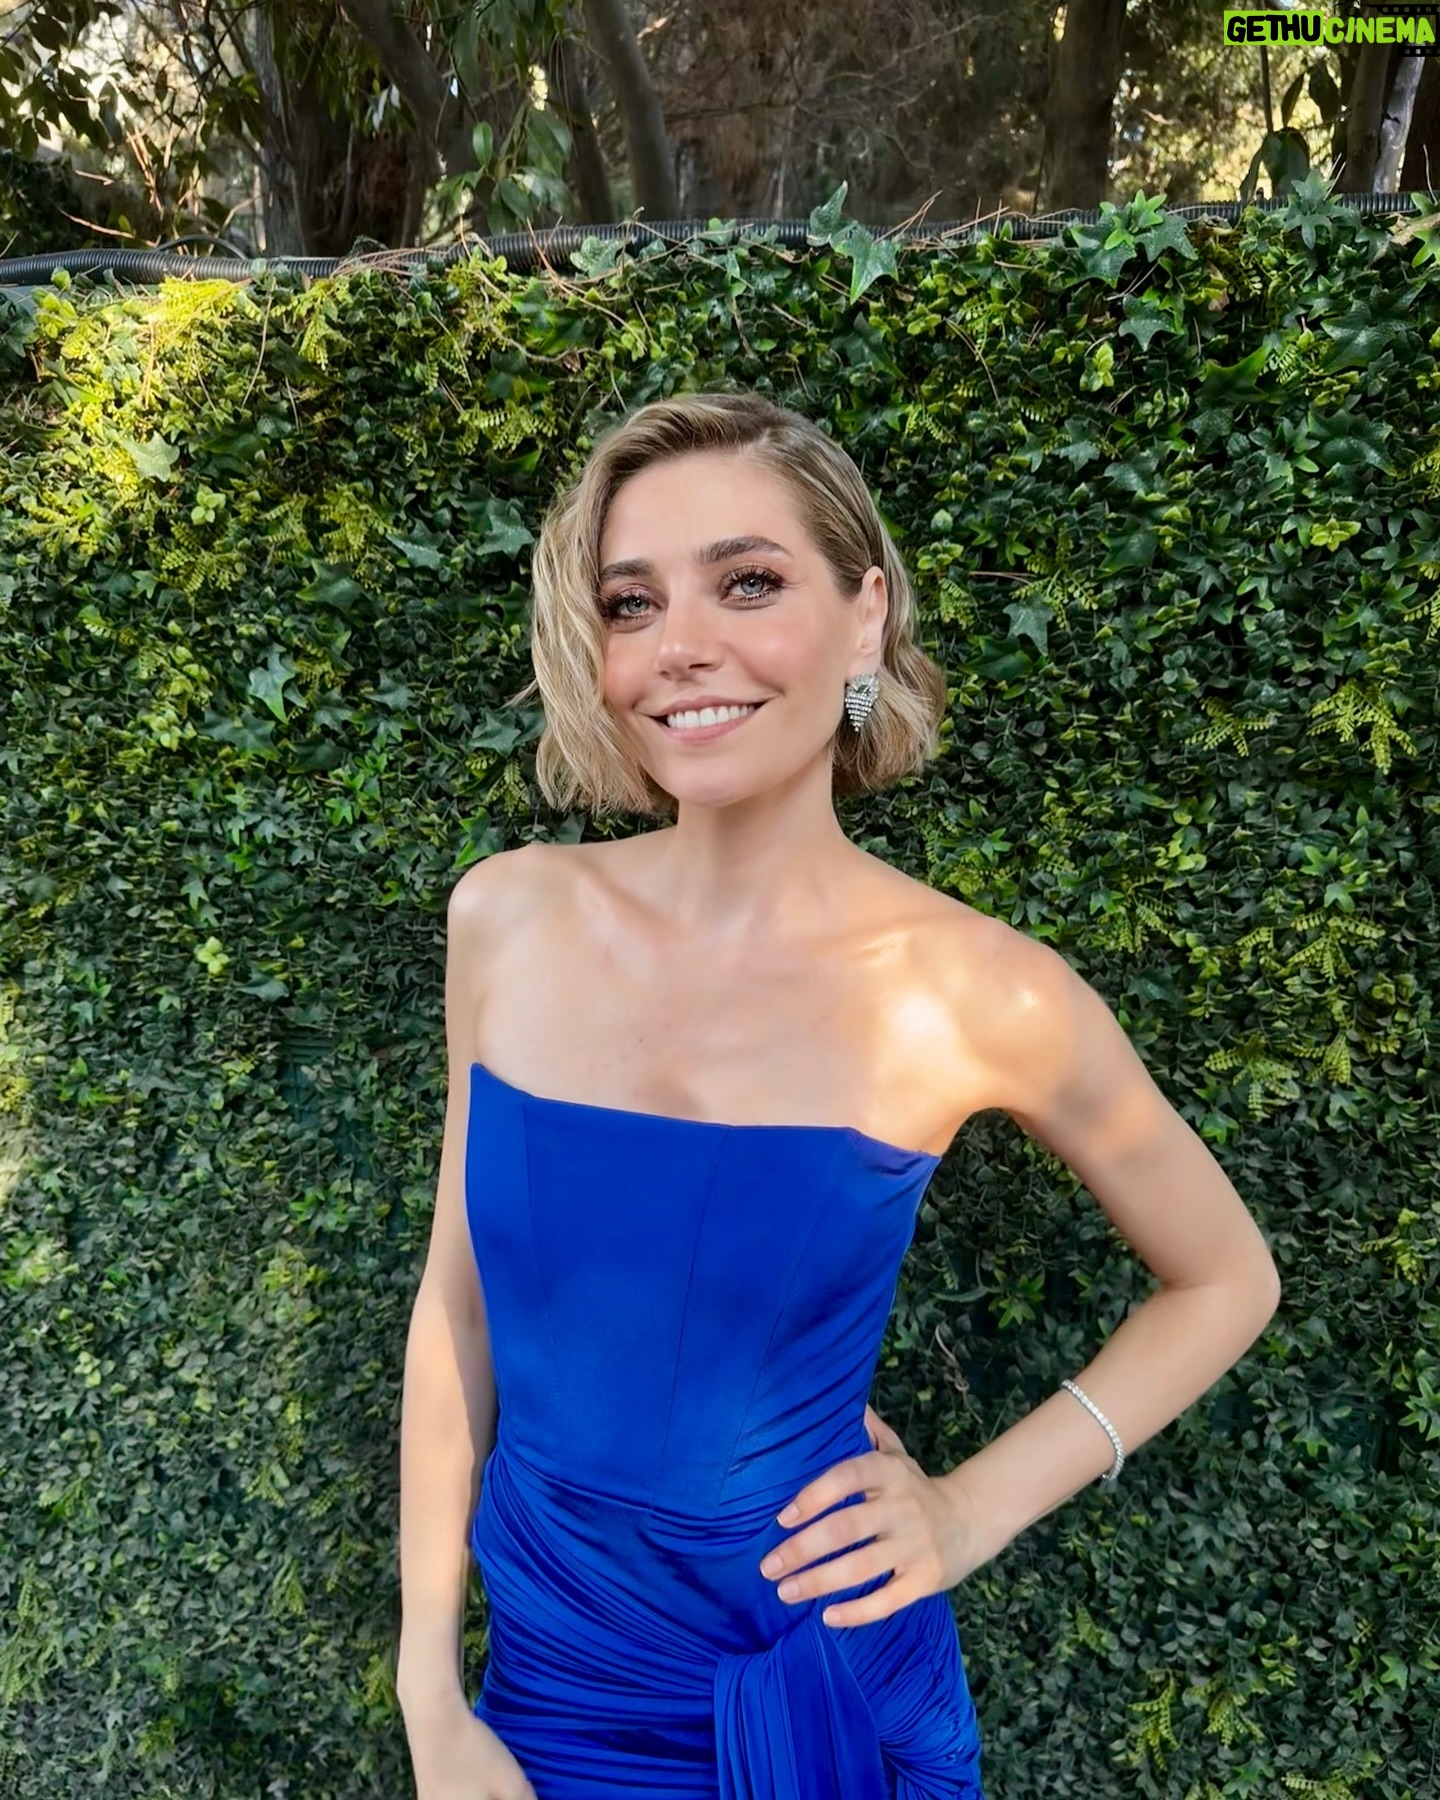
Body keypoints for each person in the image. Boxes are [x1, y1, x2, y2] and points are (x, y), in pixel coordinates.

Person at [395, 389, 1282, 1800]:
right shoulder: (507, 917)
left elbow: (1227, 1278)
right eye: (632, 603)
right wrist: (429, 1695)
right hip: (547, 1684)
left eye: (748, 582)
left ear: (865, 617)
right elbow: (458, 1302)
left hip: (809, 1685)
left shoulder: (983, 993)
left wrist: (970, 1511)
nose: (681, 645)